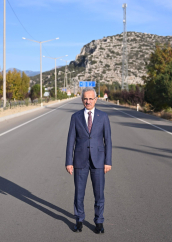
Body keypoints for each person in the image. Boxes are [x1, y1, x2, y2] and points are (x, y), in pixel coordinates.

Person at [65, 87, 112, 234]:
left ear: (96, 100)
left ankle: (99, 222)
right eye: (85, 98)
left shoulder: (103, 117)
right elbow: (70, 141)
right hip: (80, 161)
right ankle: (79, 220)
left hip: (98, 161)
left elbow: (108, 141)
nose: (88, 101)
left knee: (99, 194)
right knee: (79, 193)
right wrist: (69, 161)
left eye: (91, 98)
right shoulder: (75, 117)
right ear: (82, 100)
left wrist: (108, 161)